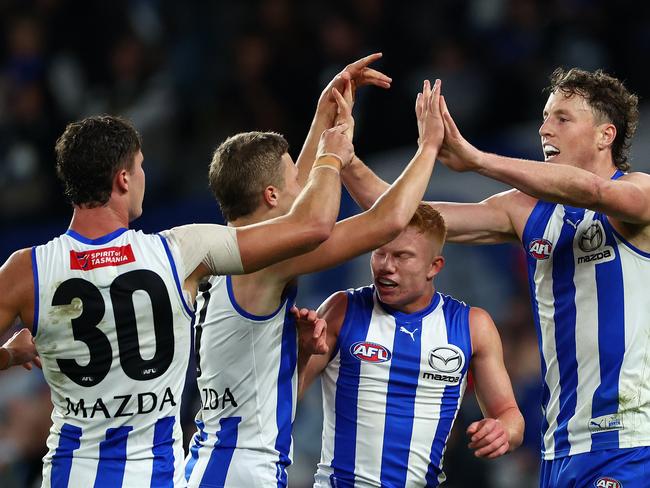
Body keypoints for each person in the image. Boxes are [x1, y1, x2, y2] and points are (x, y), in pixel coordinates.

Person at [0, 112, 353, 487]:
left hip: (69, 475)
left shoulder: (26, 270)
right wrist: (330, 153)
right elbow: (310, 225)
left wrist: (8, 355)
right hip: (155, 476)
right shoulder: (179, 252)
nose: (142, 177)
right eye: (140, 167)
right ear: (123, 179)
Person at [342, 67, 650, 487]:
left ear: (605, 136)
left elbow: (595, 192)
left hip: (632, 440)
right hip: (560, 446)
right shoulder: (524, 210)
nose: (545, 128)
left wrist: (477, 160)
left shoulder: (638, 194)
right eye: (544, 116)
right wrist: (341, 153)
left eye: (562, 118)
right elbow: (398, 217)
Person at [183, 57, 445, 487]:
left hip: (217, 463)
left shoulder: (222, 255)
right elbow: (388, 221)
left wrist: (326, 111)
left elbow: (294, 197)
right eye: (291, 181)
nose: (302, 188)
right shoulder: (267, 262)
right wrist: (429, 147)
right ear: (270, 195)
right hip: (240, 472)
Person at [299, 204, 524, 487]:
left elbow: (510, 416)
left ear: (434, 266)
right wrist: (302, 354)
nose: (386, 266)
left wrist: (502, 431)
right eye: (379, 252)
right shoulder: (342, 309)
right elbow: (284, 399)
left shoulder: (472, 326)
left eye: (401, 256)